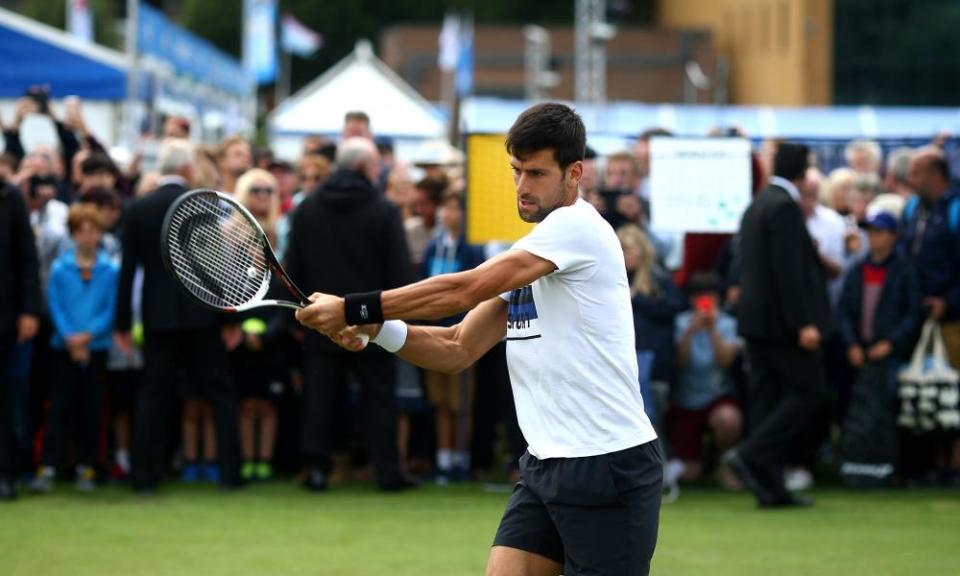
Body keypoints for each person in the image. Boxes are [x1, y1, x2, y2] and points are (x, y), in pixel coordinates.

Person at [296, 103, 662, 575]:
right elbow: (456, 347)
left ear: (575, 174)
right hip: (545, 464)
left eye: (536, 173)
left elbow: (463, 288)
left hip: (608, 466)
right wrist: (376, 330)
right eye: (515, 171)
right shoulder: (537, 248)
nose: (522, 187)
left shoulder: (577, 228)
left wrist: (353, 308)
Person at [284, 137, 414, 492]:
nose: (378, 173)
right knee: (379, 396)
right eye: (374, 167)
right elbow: (399, 269)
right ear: (362, 167)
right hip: (372, 317)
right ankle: (386, 471)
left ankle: (316, 469)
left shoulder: (308, 208)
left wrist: (300, 315)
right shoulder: (383, 210)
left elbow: (293, 266)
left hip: (320, 318)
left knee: (320, 396)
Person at [115, 138, 242, 493]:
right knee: (220, 393)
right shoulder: (200, 205)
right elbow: (218, 268)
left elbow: (128, 272)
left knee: (152, 396)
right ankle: (230, 473)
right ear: (188, 169)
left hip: (157, 319)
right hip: (202, 316)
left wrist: (122, 324)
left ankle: (145, 476)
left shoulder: (138, 209)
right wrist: (230, 319)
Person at [727, 142, 830, 508]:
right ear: (803, 172)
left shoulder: (758, 204)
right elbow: (788, 273)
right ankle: (751, 455)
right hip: (781, 325)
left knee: (767, 402)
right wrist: (803, 322)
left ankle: (771, 489)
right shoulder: (784, 207)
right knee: (811, 391)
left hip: (756, 323)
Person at [32, 204, 118, 493]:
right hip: (64, 349)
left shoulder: (110, 269)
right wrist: (71, 338)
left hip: (96, 349)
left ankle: (88, 466)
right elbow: (55, 307)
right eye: (82, 231)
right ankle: (48, 467)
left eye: (93, 231)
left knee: (92, 410)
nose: (88, 236)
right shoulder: (60, 268)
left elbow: (110, 309)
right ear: (73, 234)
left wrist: (88, 337)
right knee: (59, 409)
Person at [420, 188, 486, 483]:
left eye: (455, 209)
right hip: (434, 330)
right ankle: (443, 459)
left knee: (462, 402)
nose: (450, 215)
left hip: (463, 333)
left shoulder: (471, 248)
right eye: (445, 209)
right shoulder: (434, 246)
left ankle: (462, 458)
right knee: (440, 402)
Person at [668, 272, 743, 490]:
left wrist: (712, 331)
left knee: (729, 419)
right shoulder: (680, 323)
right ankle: (699, 460)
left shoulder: (728, 324)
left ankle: (723, 462)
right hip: (685, 401)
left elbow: (725, 361)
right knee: (690, 474)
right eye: (699, 297)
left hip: (717, 397)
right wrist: (691, 332)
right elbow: (679, 363)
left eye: (709, 296)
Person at [0, 176, 41, 501]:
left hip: (6, 317)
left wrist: (29, 310)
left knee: (7, 401)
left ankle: (7, 473)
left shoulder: (9, 196)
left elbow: (27, 257)